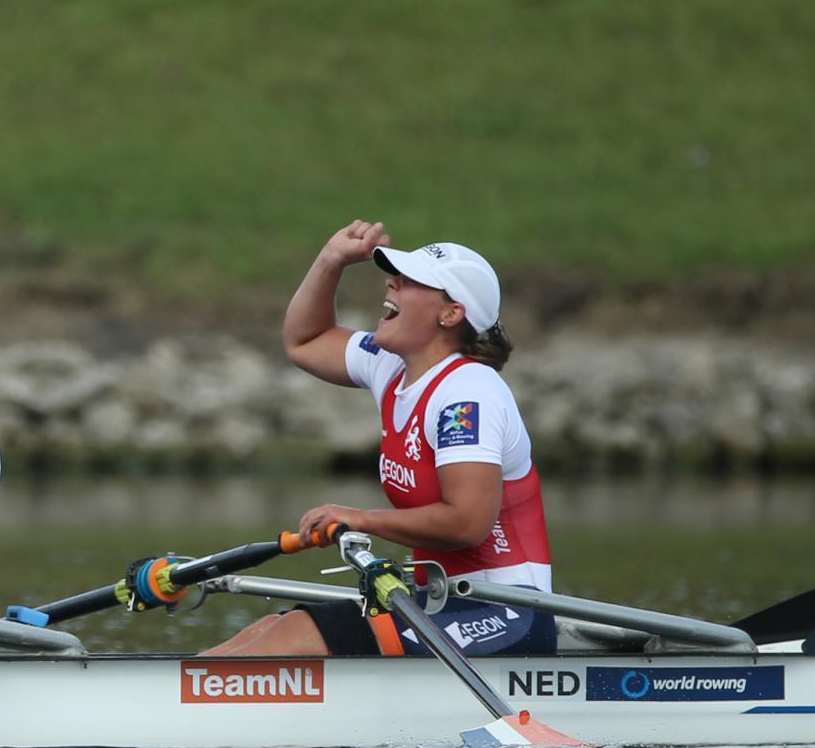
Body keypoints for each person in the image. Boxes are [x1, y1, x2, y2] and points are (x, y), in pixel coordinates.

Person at [204, 220, 554, 658]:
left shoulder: (467, 395)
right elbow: (305, 340)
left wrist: (359, 519)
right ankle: (169, 700)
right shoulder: (391, 365)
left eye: (410, 281)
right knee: (271, 628)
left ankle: (161, 714)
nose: (392, 282)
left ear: (451, 313)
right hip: (443, 602)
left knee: (292, 637)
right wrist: (331, 260)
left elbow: (468, 523)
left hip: (508, 614)